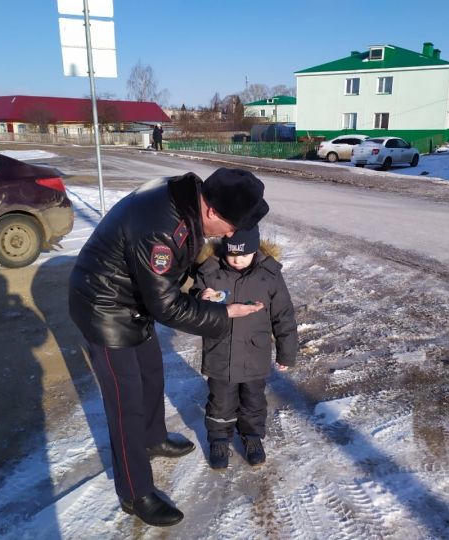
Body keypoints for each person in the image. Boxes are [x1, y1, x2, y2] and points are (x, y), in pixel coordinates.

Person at [68, 167, 269, 527]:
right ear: (212, 211)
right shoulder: (163, 227)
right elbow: (167, 306)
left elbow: (172, 272)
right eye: (232, 226)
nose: (232, 235)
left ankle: (153, 438)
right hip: (106, 310)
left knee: (151, 373)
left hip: (133, 300)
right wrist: (222, 313)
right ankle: (135, 492)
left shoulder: (186, 200)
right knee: (125, 403)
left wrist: (197, 289)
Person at [190, 225, 298, 469]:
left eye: (244, 255)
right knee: (220, 400)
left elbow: (284, 315)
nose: (237, 260)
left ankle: (252, 437)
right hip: (220, 352)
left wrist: (286, 352)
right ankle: (218, 438)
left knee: (253, 400)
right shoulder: (210, 271)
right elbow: (191, 303)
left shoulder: (269, 275)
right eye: (232, 255)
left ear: (255, 250)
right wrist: (200, 298)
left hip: (254, 354)